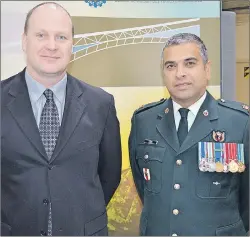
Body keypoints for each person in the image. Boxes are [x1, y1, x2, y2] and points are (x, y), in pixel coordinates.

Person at [1, 2, 122, 236]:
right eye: (41, 35)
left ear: (72, 45)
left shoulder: (101, 104)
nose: (51, 46)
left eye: (61, 37)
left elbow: (110, 175)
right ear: (25, 41)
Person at [129, 33, 249, 236]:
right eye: (170, 66)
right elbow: (143, 184)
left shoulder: (239, 122)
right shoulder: (144, 120)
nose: (179, 73)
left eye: (190, 63)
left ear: (207, 69)